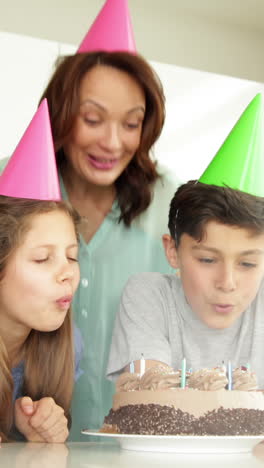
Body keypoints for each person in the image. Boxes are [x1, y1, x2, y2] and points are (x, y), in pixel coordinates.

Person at [32, 7, 180, 438]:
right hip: (22, 441)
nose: (112, 143)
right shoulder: (9, 190)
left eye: (131, 124)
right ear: (60, 113)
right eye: (93, 119)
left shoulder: (174, 204)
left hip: (138, 442)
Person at [107, 94, 264, 388]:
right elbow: (151, 396)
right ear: (173, 250)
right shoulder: (150, 296)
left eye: (248, 263)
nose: (227, 282)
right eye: (207, 259)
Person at [0, 100, 82, 443]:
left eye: (72, 256)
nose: (66, 274)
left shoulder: (71, 344)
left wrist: (37, 437)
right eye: (42, 259)